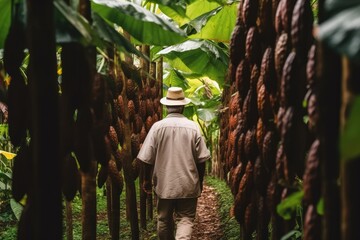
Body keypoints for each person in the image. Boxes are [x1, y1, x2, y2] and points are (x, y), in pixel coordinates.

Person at [137, 86, 211, 240]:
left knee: (163, 219)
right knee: (185, 219)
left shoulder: (157, 128)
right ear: (183, 106)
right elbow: (202, 160)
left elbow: (146, 158)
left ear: (167, 107)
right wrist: (200, 181)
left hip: (165, 183)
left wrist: (145, 179)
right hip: (188, 183)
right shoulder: (193, 128)